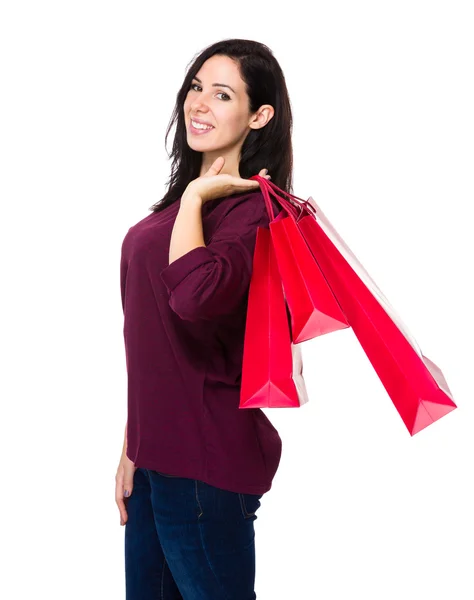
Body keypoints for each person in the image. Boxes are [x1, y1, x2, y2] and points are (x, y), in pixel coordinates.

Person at [115, 38, 295, 600]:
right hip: (156, 461)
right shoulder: (174, 211)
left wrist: (197, 197)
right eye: (196, 87)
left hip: (206, 466)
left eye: (222, 94)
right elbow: (153, 343)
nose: (200, 103)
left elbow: (191, 301)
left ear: (258, 115)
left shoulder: (253, 214)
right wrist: (130, 447)